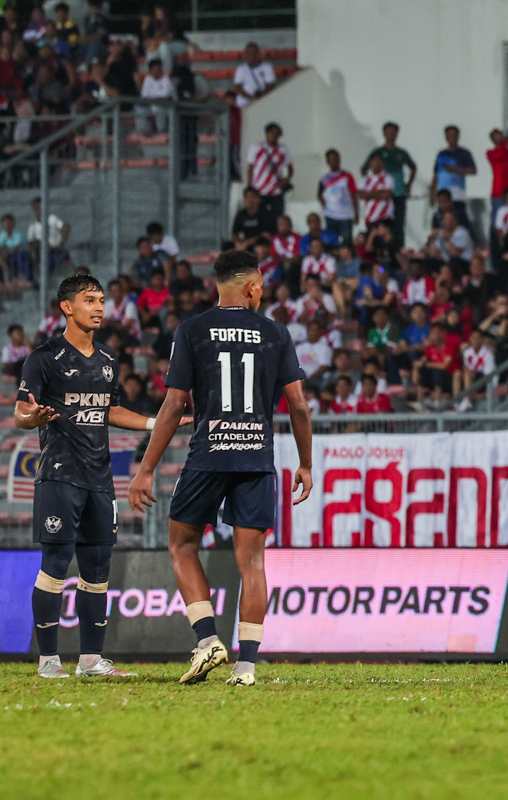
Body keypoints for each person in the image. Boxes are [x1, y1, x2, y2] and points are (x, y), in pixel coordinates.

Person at [128, 249, 314, 687]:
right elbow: (300, 406)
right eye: (261, 287)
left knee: (181, 546)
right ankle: (246, 667)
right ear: (251, 287)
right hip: (255, 457)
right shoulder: (276, 332)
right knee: (252, 561)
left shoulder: (191, 330)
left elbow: (174, 404)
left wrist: (146, 468)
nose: (262, 292)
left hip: (208, 455)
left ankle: (207, 638)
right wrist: (306, 463)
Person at [16, 274, 187, 679]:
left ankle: (91, 660)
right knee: (56, 562)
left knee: (97, 568)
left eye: (101, 300)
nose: (98, 307)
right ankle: (48, 661)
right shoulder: (43, 358)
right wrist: (31, 419)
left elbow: (110, 412)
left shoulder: (109, 360)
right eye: (89, 300)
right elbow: (22, 412)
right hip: (59, 476)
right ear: (67, 307)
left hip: (100, 479)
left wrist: (155, 423)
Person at [362, 122, 416, 241]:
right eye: (388, 132)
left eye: (393, 132)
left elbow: (413, 167)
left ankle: (398, 249)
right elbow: (364, 168)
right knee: (382, 226)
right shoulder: (379, 152)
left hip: (398, 193)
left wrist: (408, 185)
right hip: (382, 197)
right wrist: (370, 186)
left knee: (399, 224)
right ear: (384, 133)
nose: (391, 135)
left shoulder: (401, 153)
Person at [246, 122, 293, 220]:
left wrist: (287, 179)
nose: (275, 136)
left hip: (277, 191)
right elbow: (250, 168)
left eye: (278, 134)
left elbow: (290, 168)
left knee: (277, 218)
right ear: (267, 134)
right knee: (260, 218)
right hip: (259, 191)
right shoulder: (256, 148)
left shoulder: (283, 149)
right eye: (273, 133)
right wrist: (250, 187)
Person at [429, 125, 476, 219]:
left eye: (454, 135)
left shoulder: (464, 153)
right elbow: (436, 174)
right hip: (443, 194)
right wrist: (432, 193)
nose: (451, 138)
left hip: (457, 194)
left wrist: (456, 170)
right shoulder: (441, 154)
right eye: (449, 135)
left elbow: (473, 170)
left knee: (459, 219)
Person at [318, 149, 358, 244]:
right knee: (332, 242)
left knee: (347, 242)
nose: (334, 161)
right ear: (327, 161)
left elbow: (353, 194)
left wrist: (356, 213)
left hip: (345, 216)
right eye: (332, 159)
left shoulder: (347, 176)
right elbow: (319, 194)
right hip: (331, 217)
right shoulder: (324, 179)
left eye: (336, 158)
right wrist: (325, 206)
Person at [357, 151, 395, 232]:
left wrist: (368, 194)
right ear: (370, 164)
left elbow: (386, 195)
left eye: (379, 161)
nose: (377, 163)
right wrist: (378, 193)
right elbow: (360, 195)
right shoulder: (364, 180)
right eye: (374, 161)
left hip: (384, 217)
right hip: (369, 218)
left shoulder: (388, 178)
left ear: (383, 164)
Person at [232, 42, 276, 108]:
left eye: (253, 53)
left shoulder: (267, 67)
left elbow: (270, 85)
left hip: (262, 102)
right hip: (244, 103)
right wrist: (250, 97)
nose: (251, 56)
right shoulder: (241, 68)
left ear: (258, 54)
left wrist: (262, 94)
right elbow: (237, 87)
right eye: (248, 54)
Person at [232, 186, 275, 250]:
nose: (250, 200)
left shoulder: (265, 214)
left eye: (252, 197)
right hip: (246, 244)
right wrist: (237, 243)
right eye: (247, 197)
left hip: (262, 245)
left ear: (259, 199)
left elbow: (265, 235)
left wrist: (247, 242)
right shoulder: (241, 214)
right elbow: (235, 232)